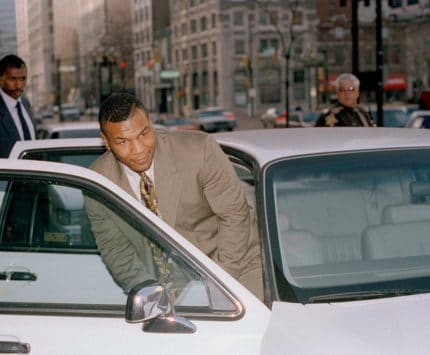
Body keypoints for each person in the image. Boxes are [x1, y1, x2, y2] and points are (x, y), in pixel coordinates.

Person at [85, 92, 263, 300]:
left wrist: (218, 286)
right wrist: (150, 294)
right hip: (168, 289)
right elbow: (116, 250)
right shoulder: (99, 180)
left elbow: (235, 216)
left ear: (150, 124)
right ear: (106, 141)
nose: (139, 149)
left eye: (144, 134)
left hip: (236, 268)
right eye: (123, 141)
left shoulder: (199, 150)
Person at [0, 54, 37, 158]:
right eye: (12, 79)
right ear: (1, 79)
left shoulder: (25, 104)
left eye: (23, 79)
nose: (19, 85)